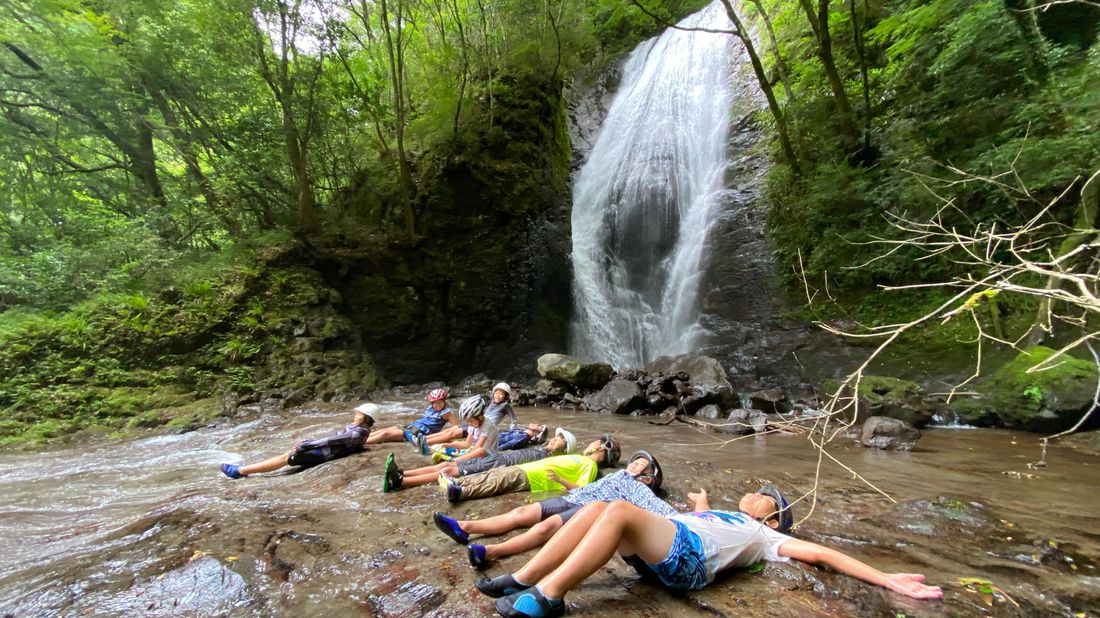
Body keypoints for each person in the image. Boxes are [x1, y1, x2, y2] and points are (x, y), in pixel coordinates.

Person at [475, 485, 943, 618]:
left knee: (615, 510)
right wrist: (700, 504)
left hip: (689, 563)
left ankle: (549, 594)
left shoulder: (769, 537)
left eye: (765, 494)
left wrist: (887, 579)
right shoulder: (728, 516)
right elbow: (700, 515)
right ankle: (523, 578)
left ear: (773, 518)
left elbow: (824, 554)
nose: (756, 492)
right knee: (596, 506)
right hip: (672, 548)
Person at [434, 450, 670, 568]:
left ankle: (489, 552)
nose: (635, 463)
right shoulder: (615, 475)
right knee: (520, 514)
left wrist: (697, 518)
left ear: (648, 478)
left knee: (543, 529)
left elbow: (660, 510)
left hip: (589, 510)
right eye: (636, 460)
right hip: (574, 497)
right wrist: (560, 480)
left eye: (642, 465)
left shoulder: (641, 490)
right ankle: (463, 527)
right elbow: (584, 486)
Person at [431, 434, 621, 504]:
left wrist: (559, 480)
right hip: (528, 468)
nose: (591, 442)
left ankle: (461, 492)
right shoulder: (581, 458)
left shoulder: (590, 465)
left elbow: (583, 489)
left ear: (601, 448)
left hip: (534, 477)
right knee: (494, 475)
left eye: (595, 441)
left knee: (498, 481)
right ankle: (458, 482)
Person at [391, 428, 577, 492]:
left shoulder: (549, 459)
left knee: (449, 472)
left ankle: (402, 482)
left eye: (560, 440)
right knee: (446, 464)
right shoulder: (540, 448)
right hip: (495, 458)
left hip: (497, 466)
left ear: (564, 450)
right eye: (556, 436)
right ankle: (402, 473)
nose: (554, 438)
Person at [220, 404, 379, 479]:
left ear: (366, 418)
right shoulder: (362, 431)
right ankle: (244, 470)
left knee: (285, 458)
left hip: (322, 454)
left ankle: (240, 471)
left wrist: (308, 444)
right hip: (326, 453)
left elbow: (332, 440)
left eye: (358, 414)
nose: (355, 416)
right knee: (285, 456)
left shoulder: (357, 432)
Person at [383, 395, 497, 492]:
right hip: (475, 456)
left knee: (447, 469)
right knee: (443, 465)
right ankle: (402, 473)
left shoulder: (487, 426)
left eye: (471, 421)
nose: (469, 424)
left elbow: (478, 449)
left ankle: (400, 482)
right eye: (468, 422)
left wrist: (456, 459)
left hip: (486, 459)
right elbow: (467, 444)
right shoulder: (474, 424)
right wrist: (448, 445)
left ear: (480, 416)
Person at [365, 388, 458, 449]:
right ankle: (361, 437)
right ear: (431, 403)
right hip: (413, 425)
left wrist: (444, 438)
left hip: (420, 432)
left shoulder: (447, 413)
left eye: (439, 402)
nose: (437, 405)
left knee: (385, 434)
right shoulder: (431, 408)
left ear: (444, 401)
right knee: (385, 429)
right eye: (435, 403)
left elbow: (456, 428)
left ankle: (361, 443)